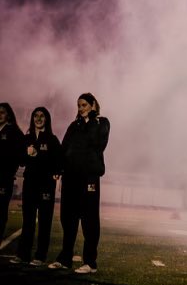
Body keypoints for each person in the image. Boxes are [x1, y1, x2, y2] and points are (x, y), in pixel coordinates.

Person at [48, 93, 110, 274]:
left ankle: (90, 262)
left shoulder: (101, 122)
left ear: (92, 105)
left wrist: (89, 120)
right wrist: (58, 169)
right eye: (78, 105)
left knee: (89, 220)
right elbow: (64, 148)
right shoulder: (73, 125)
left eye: (84, 105)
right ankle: (65, 259)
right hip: (71, 178)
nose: (80, 108)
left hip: (89, 178)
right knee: (68, 219)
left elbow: (98, 144)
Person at [11, 107, 62, 266]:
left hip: (46, 186)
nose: (38, 119)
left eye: (42, 116)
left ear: (47, 119)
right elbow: (21, 161)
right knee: (28, 221)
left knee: (45, 222)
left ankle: (40, 256)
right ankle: (23, 254)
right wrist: (26, 153)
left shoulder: (52, 139)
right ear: (32, 119)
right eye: (35, 116)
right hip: (30, 184)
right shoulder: (27, 138)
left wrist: (38, 155)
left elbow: (58, 161)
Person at [0, 102, 25, 242]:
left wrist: (11, 167)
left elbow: (21, 154)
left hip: (4, 178)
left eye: (2, 112)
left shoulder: (14, 131)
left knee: (1, 210)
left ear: (8, 114)